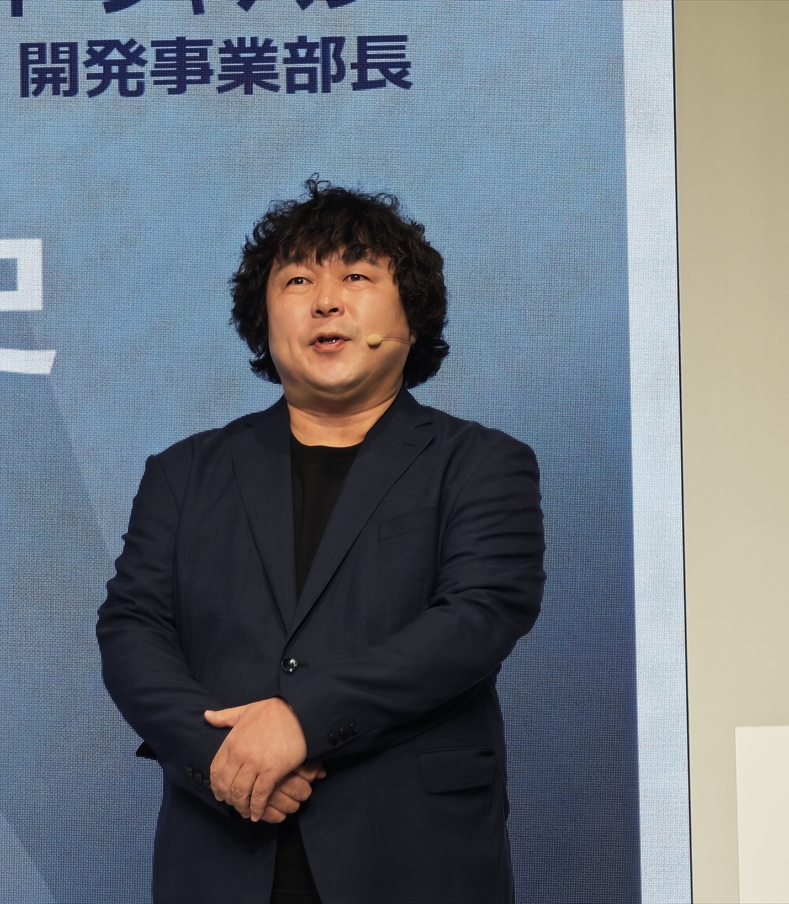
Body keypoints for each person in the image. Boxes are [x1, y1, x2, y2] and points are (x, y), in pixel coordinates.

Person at [96, 179, 545, 904]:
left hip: (413, 852)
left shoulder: (481, 464)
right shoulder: (184, 473)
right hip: (224, 848)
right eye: (298, 281)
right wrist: (224, 759)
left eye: (357, 277)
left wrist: (301, 721)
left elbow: (478, 617)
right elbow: (132, 629)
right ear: (263, 318)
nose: (326, 302)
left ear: (412, 316)